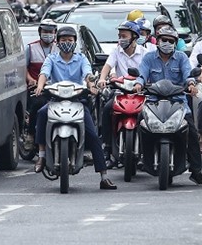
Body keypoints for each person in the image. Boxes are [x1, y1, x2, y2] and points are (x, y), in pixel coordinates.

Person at [33, 27, 117, 190]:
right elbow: (44, 73)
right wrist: (40, 86)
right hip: (55, 100)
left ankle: (104, 176)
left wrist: (91, 85)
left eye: (70, 40)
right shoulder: (51, 58)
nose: (66, 43)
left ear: (75, 42)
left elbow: (87, 74)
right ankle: (42, 155)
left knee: (92, 134)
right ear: (57, 42)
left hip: (78, 101)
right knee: (41, 114)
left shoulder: (81, 59)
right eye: (63, 40)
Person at [134, 25, 202, 186]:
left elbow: (188, 75)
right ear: (157, 41)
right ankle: (136, 157)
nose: (167, 43)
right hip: (153, 101)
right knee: (138, 123)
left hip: (178, 102)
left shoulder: (181, 57)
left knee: (192, 133)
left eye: (170, 41)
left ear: (175, 43)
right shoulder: (148, 58)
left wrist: (191, 85)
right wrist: (138, 84)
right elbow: (141, 75)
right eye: (164, 40)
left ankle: (196, 172)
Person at [97, 21, 147, 166]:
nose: (121, 39)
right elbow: (107, 67)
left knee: (147, 115)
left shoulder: (145, 53)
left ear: (134, 37)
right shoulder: (116, 51)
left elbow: (148, 71)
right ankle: (107, 148)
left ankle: (146, 152)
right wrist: (102, 79)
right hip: (120, 91)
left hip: (140, 93)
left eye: (124, 36)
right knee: (107, 109)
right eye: (119, 36)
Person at [24, 22, 57, 151]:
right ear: (40, 32)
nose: (48, 34)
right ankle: (31, 135)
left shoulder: (59, 49)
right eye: (45, 31)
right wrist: (30, 79)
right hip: (36, 88)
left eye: (51, 32)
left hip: (56, 88)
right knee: (38, 105)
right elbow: (23, 67)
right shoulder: (31, 48)